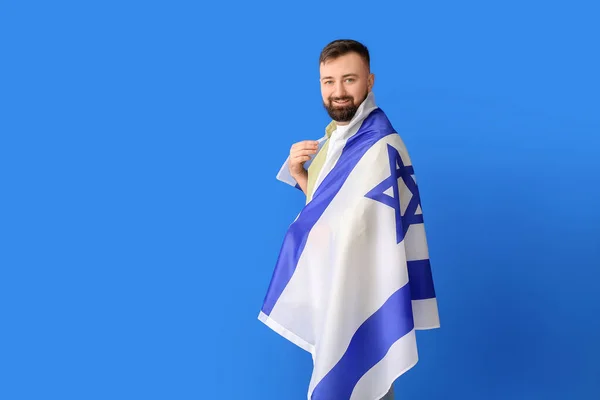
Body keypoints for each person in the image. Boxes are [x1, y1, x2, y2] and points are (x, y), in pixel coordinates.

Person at [259, 39, 440, 400]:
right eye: (329, 81)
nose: (338, 92)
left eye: (349, 80)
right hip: (337, 283)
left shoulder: (380, 147)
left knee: (364, 382)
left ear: (369, 82)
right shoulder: (339, 139)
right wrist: (299, 174)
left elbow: (365, 228)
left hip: (364, 288)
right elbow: (337, 211)